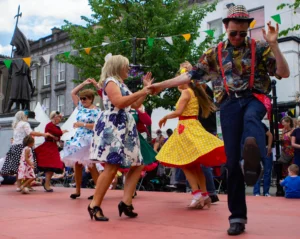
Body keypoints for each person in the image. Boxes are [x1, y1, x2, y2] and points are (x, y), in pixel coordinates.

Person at [149, 5, 290, 236]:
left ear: (247, 30)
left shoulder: (261, 48)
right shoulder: (214, 53)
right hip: (228, 104)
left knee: (252, 118)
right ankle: (237, 217)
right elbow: (190, 75)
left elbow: (283, 73)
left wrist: (274, 44)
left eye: (242, 34)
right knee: (231, 163)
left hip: (255, 97)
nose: (237, 38)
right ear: (226, 27)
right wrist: (160, 85)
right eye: (233, 33)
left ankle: (253, 157)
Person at [88, 55, 152, 221]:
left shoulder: (121, 83)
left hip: (125, 127)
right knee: (111, 166)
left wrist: (146, 90)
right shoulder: (110, 82)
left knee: (138, 164)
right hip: (114, 126)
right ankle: (94, 204)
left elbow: (136, 105)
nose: (129, 69)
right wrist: (141, 91)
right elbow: (119, 102)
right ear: (118, 67)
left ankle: (126, 202)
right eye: (126, 66)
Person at [156, 73, 226, 209]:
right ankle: (205, 195)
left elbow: (178, 111)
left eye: (179, 79)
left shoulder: (186, 93)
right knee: (195, 165)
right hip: (192, 125)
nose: (177, 82)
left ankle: (197, 194)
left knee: (185, 163)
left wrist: (165, 117)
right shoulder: (193, 92)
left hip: (185, 128)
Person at [62, 79, 101, 200]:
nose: (83, 100)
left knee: (91, 166)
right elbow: (73, 93)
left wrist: (81, 124)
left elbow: (97, 126)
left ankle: (99, 191)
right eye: (82, 98)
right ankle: (77, 190)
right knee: (77, 165)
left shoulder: (96, 111)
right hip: (78, 140)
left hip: (89, 140)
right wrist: (84, 84)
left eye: (85, 98)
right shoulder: (80, 107)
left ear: (91, 99)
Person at [0, 111, 52, 191]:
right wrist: (43, 134)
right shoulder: (25, 124)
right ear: (23, 116)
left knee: (18, 167)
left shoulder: (16, 125)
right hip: (23, 146)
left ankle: (19, 185)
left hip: (14, 147)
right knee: (28, 165)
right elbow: (31, 132)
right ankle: (26, 185)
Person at [35, 111, 67, 192]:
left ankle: (46, 183)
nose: (60, 119)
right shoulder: (49, 125)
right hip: (49, 147)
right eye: (59, 117)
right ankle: (46, 183)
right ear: (55, 117)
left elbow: (58, 137)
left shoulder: (56, 127)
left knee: (53, 166)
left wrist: (57, 135)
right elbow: (58, 133)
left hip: (53, 147)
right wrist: (61, 132)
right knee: (51, 166)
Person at [253, 123, 273, 196]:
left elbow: (270, 135)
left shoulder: (259, 124)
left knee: (264, 171)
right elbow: (270, 135)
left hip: (263, 148)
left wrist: (269, 147)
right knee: (265, 171)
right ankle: (262, 192)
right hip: (260, 149)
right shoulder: (258, 124)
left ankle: (260, 192)